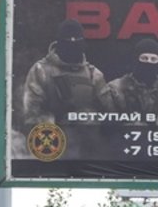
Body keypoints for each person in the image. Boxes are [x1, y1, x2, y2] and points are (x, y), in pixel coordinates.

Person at [21, 18, 109, 157]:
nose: (72, 47)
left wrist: (87, 118)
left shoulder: (94, 74)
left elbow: (109, 114)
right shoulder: (41, 70)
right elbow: (31, 113)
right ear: (59, 43)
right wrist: (55, 120)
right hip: (52, 146)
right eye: (68, 42)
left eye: (76, 42)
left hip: (87, 148)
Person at [100, 37, 158, 116]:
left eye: (153, 59)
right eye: (144, 58)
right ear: (136, 59)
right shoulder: (116, 88)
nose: (149, 62)